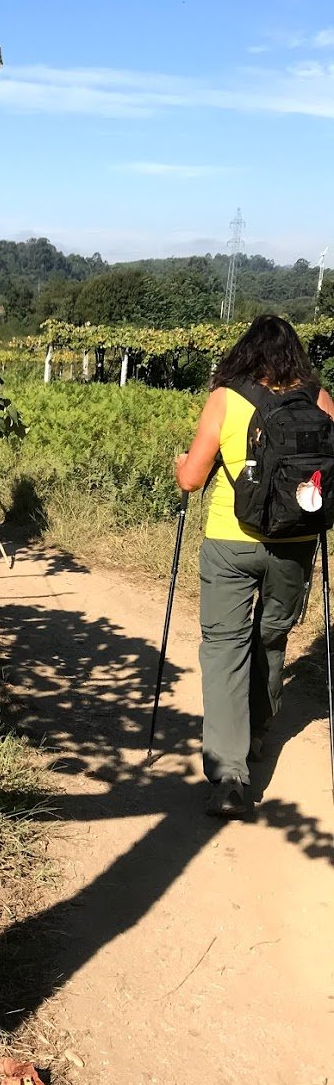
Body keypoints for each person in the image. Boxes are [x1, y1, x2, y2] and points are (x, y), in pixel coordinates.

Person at [176, 315, 334, 817]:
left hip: (231, 538)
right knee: (271, 637)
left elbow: (192, 479)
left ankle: (229, 776)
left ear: (245, 352)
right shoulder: (320, 398)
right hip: (296, 540)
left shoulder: (226, 397)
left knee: (224, 648)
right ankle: (259, 731)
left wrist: (181, 463)